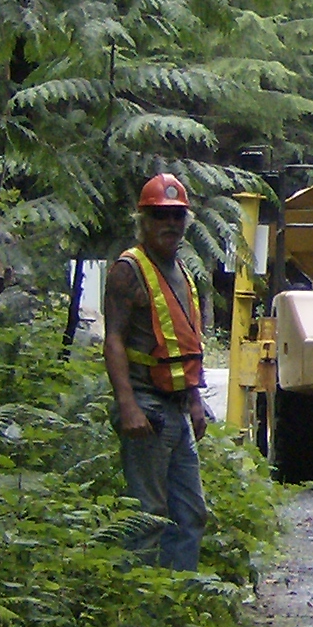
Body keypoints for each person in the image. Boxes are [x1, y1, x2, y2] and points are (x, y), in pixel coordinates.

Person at [103, 173, 209, 572]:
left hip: (177, 408)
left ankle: (178, 598)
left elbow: (185, 344)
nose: (170, 223)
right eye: (160, 215)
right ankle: (139, 601)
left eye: (177, 216)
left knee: (191, 514)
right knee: (147, 514)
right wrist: (127, 405)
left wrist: (195, 400)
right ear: (143, 221)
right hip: (146, 408)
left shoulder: (181, 271)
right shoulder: (128, 270)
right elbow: (114, 339)